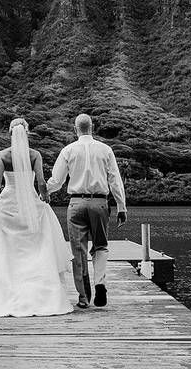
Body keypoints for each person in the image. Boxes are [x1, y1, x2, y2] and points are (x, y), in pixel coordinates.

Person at [0, 118, 73, 317]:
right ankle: (37, 291)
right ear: (27, 133)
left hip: (7, 203)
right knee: (34, 249)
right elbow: (42, 183)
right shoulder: (35, 155)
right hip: (31, 204)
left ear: (10, 133)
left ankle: (1, 288)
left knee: (4, 248)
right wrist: (45, 197)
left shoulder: (2, 155)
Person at [46, 113, 127, 309]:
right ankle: (100, 283)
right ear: (93, 128)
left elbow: (56, 182)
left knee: (78, 251)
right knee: (101, 246)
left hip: (76, 204)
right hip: (99, 203)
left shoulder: (68, 150)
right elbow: (115, 180)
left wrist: (40, 192)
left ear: (76, 129)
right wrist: (121, 206)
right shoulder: (106, 150)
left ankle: (83, 298)